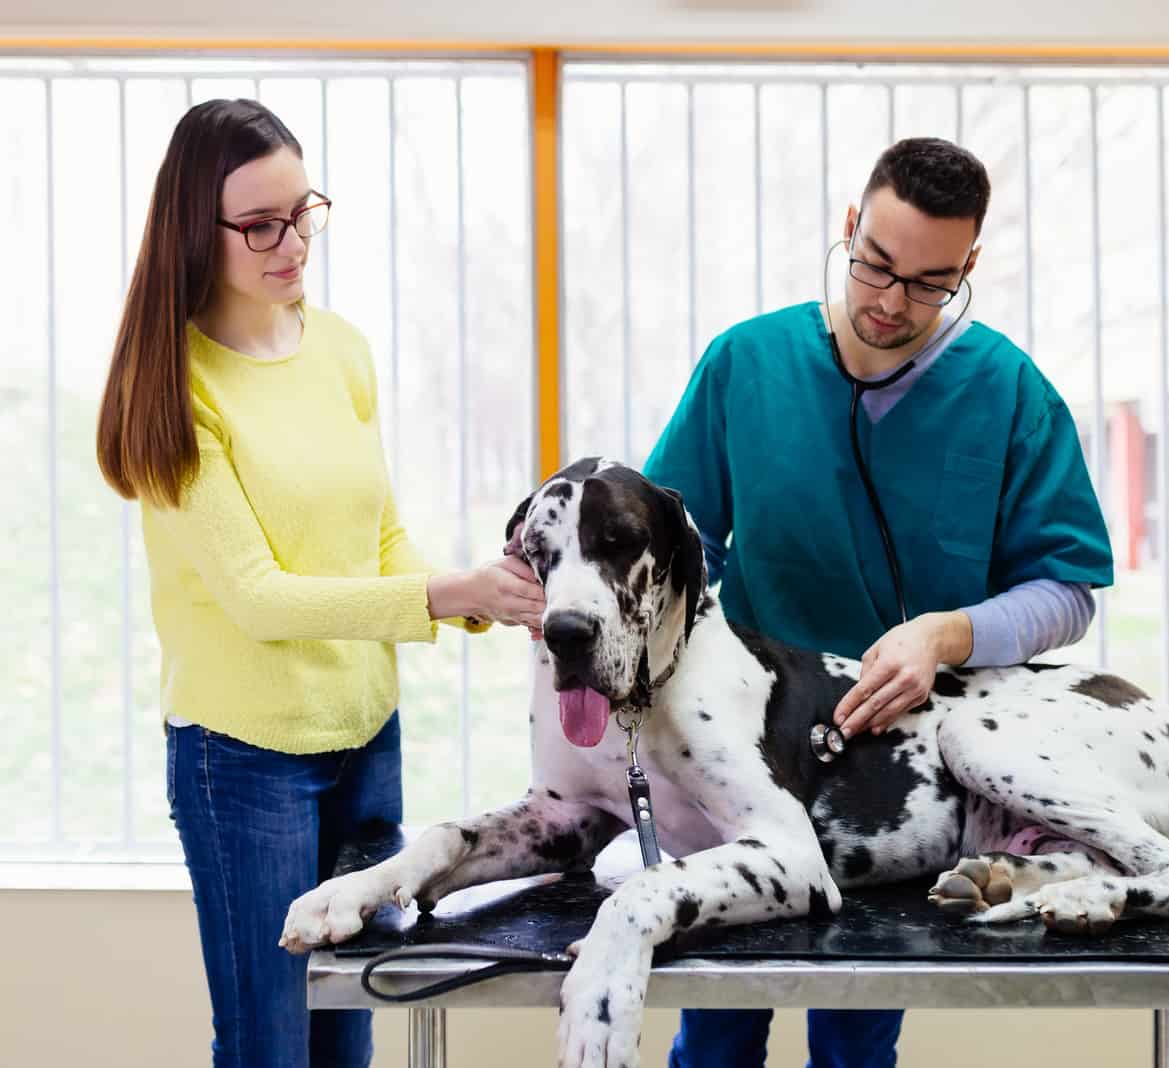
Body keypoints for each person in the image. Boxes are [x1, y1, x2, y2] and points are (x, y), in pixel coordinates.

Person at [644, 137, 1114, 1068]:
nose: (891, 303)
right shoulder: (748, 364)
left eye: (931, 283)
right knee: (715, 1034)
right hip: (749, 756)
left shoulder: (1008, 391)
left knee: (858, 1044)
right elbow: (674, 551)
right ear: (850, 227)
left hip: (906, 775)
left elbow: (1068, 590)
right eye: (876, 267)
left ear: (968, 267)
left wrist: (950, 633)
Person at [95, 98, 543, 1068]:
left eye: (304, 211)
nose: (292, 242)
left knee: (346, 1038)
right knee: (271, 1042)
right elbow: (258, 596)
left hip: (363, 739)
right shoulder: (175, 386)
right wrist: (445, 597)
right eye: (260, 224)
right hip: (244, 762)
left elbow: (375, 534)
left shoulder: (337, 348)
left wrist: (486, 600)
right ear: (193, 230)